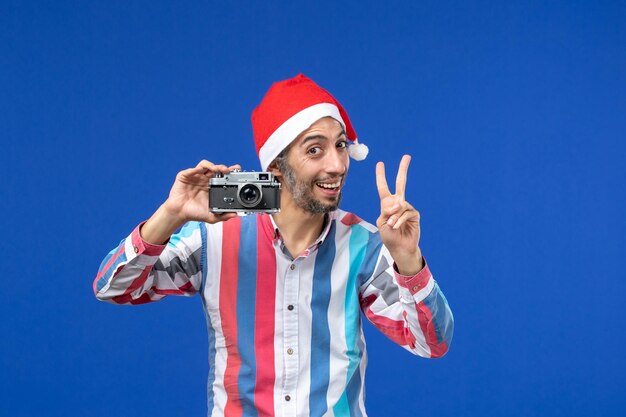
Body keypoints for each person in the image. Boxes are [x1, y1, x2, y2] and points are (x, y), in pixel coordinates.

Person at [93, 74, 454, 417]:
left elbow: (432, 343)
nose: (337, 164)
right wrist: (170, 214)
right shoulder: (215, 238)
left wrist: (408, 259)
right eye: (315, 150)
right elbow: (113, 286)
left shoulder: (363, 244)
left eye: (341, 145)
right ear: (277, 166)